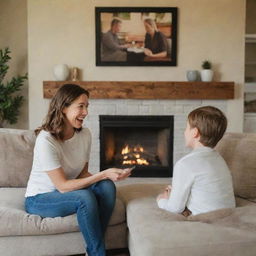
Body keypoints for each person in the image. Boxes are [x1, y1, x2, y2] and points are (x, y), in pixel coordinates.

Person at [25, 84, 132, 256]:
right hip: (40, 198)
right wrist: (103, 173)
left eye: (87, 106)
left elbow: (82, 174)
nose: (86, 112)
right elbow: (63, 186)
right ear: (63, 108)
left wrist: (108, 177)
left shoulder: (85, 135)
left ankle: (94, 246)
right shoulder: (46, 140)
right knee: (84, 197)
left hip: (67, 192)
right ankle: (98, 252)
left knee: (106, 186)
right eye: (80, 106)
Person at [157, 106, 236, 216]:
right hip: (228, 215)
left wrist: (162, 200)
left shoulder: (185, 164)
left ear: (195, 132)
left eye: (186, 128)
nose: (184, 132)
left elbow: (174, 209)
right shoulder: (219, 159)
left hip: (205, 220)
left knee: (166, 198)